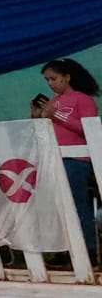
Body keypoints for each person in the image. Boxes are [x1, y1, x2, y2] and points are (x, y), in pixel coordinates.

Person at [31, 58, 99, 263]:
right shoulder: (51, 103)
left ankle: (88, 250)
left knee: (77, 204)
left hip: (76, 159)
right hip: (54, 158)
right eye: (47, 80)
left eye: (54, 78)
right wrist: (37, 118)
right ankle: (64, 250)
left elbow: (88, 129)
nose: (50, 84)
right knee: (56, 206)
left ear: (67, 77)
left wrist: (56, 115)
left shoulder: (83, 100)